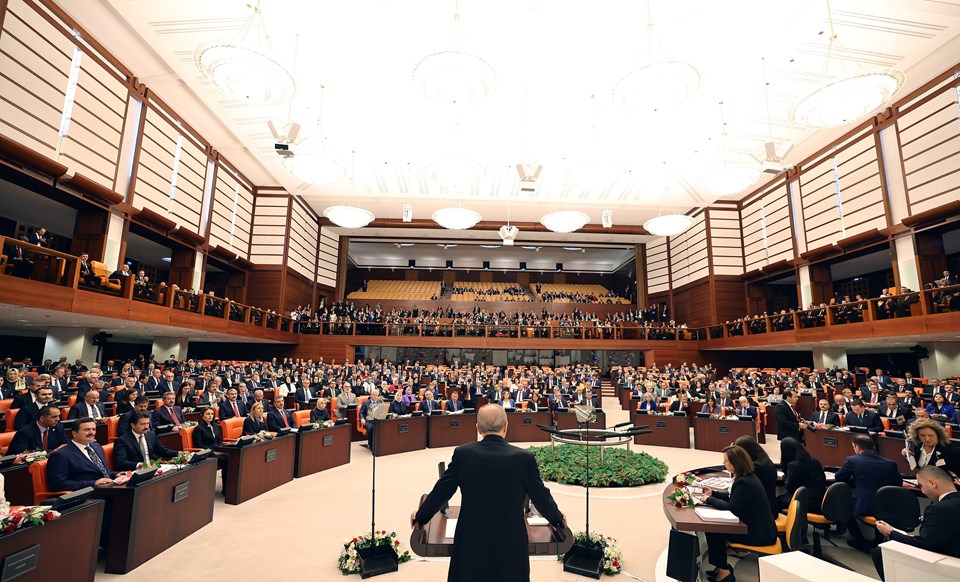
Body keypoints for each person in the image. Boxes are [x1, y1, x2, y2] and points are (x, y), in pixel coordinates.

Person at [411, 405, 565, 582]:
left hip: (471, 541)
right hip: (510, 542)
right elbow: (541, 497)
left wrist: (421, 516)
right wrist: (557, 518)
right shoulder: (525, 459)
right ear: (506, 426)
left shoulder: (463, 454)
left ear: (478, 429)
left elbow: (442, 491)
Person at [698, 445, 777, 582]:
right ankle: (721, 566)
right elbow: (734, 497)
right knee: (715, 529)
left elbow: (731, 507)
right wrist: (714, 493)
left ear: (736, 463)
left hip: (759, 534)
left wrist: (709, 499)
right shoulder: (747, 478)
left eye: (726, 461)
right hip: (760, 528)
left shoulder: (744, 482)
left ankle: (724, 571)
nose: (724, 463)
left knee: (714, 530)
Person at [872, 466, 960, 580]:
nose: (922, 491)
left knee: (879, 552)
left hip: (948, 562)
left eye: (921, 486)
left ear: (932, 483)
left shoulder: (938, 509)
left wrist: (890, 532)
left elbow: (925, 545)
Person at [834, 435, 902, 552]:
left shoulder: (852, 460)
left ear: (858, 447)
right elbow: (898, 482)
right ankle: (878, 541)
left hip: (864, 505)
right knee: (879, 510)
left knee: (844, 507)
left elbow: (839, 477)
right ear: (873, 447)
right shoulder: (890, 463)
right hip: (887, 505)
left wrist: (856, 481)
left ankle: (859, 540)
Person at [46, 417, 117, 490]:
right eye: (87, 430)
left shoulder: (97, 446)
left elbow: (102, 471)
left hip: (109, 487)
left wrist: (117, 475)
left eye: (93, 429)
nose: (91, 432)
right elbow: (57, 484)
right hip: (89, 493)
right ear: (74, 433)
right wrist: (93, 483)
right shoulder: (61, 455)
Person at [113, 411, 180, 471]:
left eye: (147, 423)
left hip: (154, 468)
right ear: (133, 425)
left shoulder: (151, 435)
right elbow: (120, 462)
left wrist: (178, 453)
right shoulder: (122, 440)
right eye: (142, 424)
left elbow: (162, 450)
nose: (146, 427)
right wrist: (140, 464)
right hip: (137, 471)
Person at [777, 437, 826, 513]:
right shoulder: (814, 461)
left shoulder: (793, 466)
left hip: (804, 500)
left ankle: (789, 524)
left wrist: (783, 477)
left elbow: (789, 487)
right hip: (821, 499)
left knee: (777, 502)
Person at [734, 436, 778, 518]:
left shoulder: (754, 468)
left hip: (761, 513)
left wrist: (733, 458)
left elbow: (737, 487)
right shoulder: (766, 461)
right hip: (771, 508)